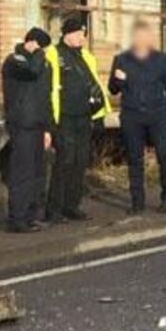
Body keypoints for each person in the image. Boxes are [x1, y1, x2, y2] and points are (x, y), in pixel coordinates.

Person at [108, 19, 166, 215]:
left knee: (164, 156)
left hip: (157, 114)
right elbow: (112, 89)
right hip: (132, 115)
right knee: (134, 159)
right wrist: (117, 79)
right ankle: (137, 201)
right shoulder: (122, 59)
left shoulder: (162, 60)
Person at [44, 14, 111, 223]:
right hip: (63, 118)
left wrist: (99, 116)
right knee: (64, 162)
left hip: (84, 117)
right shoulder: (53, 54)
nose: (83, 38)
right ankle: (54, 210)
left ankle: (72, 206)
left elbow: (95, 87)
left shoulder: (87, 56)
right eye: (80, 34)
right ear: (69, 34)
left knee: (79, 163)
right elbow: (47, 89)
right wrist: (49, 122)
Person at [0, 26, 53, 234]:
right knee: (22, 173)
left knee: (37, 174)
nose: (43, 52)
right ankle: (17, 218)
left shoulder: (41, 63)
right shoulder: (15, 61)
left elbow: (45, 96)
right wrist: (37, 54)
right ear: (30, 42)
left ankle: (32, 215)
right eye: (40, 47)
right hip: (22, 124)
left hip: (38, 124)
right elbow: (31, 71)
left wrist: (48, 128)